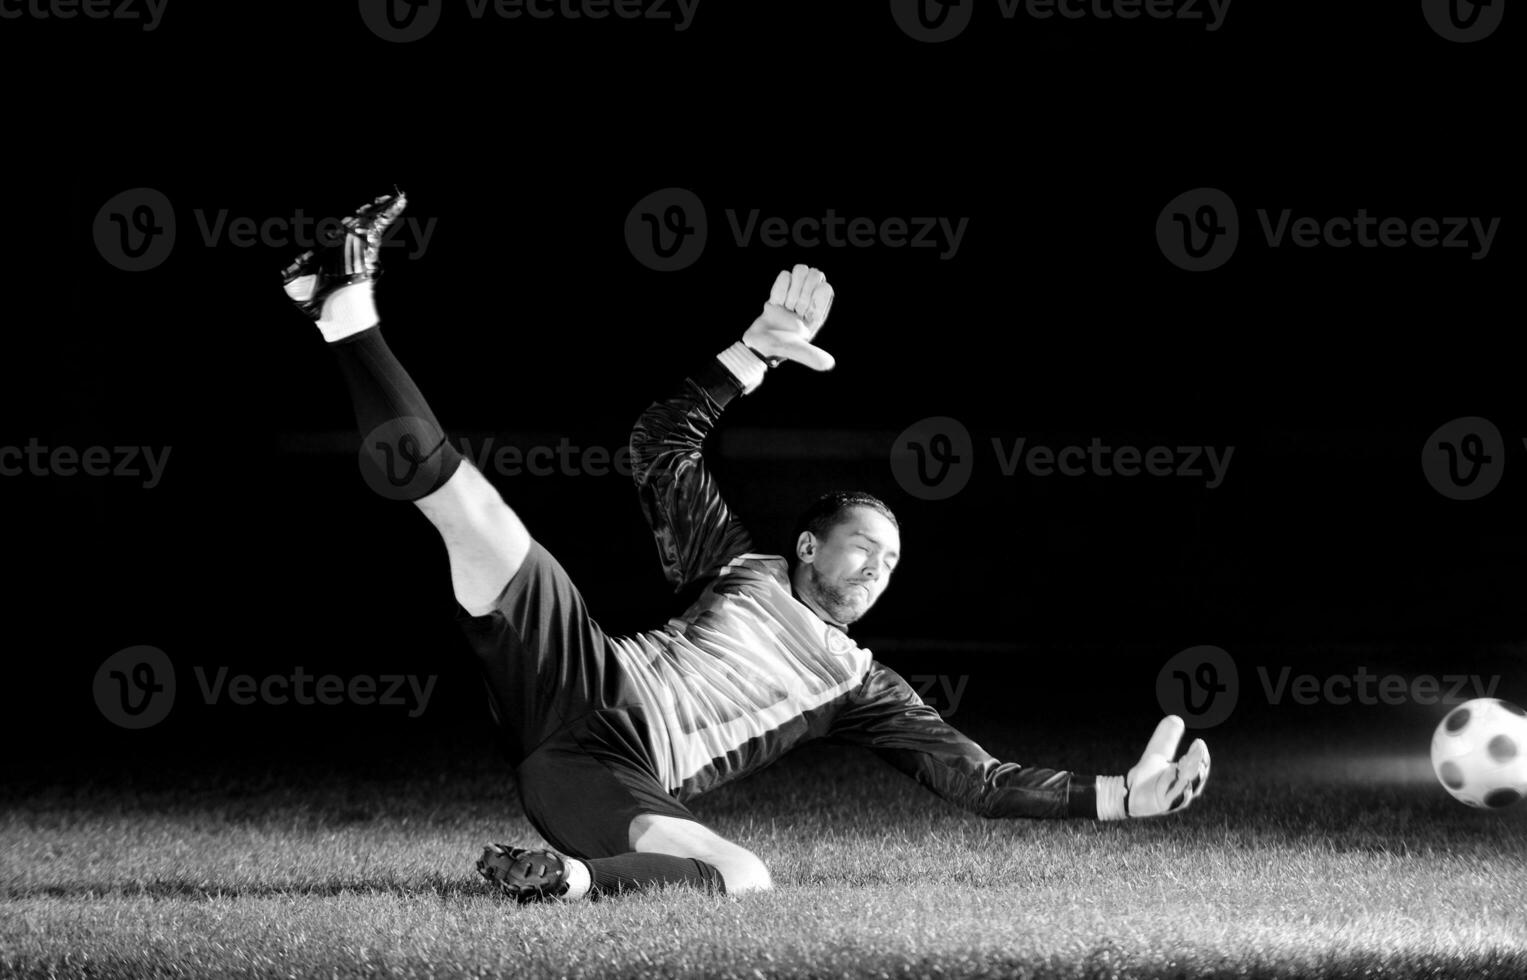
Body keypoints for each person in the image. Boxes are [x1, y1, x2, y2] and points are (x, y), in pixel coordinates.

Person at [280, 190, 1211, 903]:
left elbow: (981, 781)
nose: (879, 568)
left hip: (605, 776)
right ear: (806, 546)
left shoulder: (859, 683)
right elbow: (659, 443)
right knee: (468, 507)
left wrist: (1118, 798)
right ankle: (342, 309)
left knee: (740, 874)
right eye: (862, 547)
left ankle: (560, 882)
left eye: (892, 562)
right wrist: (751, 354)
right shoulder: (739, 566)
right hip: (587, 677)